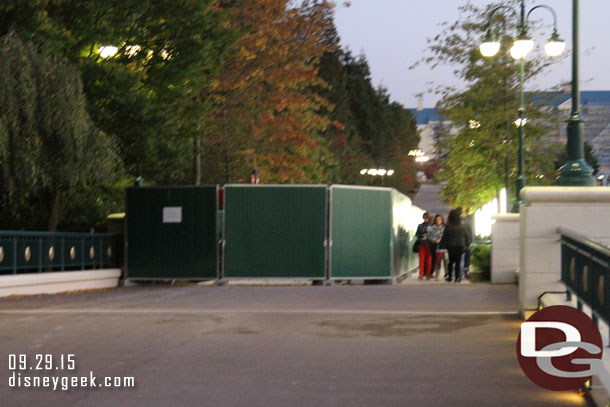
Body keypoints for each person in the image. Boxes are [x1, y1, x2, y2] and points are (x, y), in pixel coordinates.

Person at [440, 209, 471, 283]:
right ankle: (458, 277)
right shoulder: (463, 227)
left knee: (450, 261)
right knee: (458, 261)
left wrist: (442, 246)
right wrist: (466, 244)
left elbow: (444, 237)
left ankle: (450, 277)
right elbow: (467, 237)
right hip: (460, 245)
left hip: (450, 246)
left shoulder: (448, 227)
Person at [456, 207, 473, 279]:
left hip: (458, 245)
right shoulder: (466, 223)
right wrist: (469, 242)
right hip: (465, 244)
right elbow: (470, 234)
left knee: (459, 259)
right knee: (466, 259)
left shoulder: (453, 224)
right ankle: (465, 271)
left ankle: (460, 274)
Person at [427, 214, 445, 280]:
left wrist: (440, 240)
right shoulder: (431, 228)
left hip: (441, 247)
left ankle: (437, 275)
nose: (438, 221)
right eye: (437, 219)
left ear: (442, 220)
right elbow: (428, 236)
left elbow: (445, 236)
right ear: (435, 220)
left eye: (440, 219)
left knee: (439, 261)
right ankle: (431, 273)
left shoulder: (444, 228)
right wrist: (434, 240)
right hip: (433, 246)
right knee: (433, 260)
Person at [416, 212, 433, 280]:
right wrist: (421, 235)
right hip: (421, 244)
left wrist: (427, 236)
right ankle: (421, 274)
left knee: (428, 260)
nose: (426, 219)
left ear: (429, 218)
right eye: (425, 217)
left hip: (429, 244)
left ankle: (428, 275)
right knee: (421, 260)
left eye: (427, 217)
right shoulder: (420, 226)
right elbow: (417, 234)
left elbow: (433, 235)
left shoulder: (432, 226)